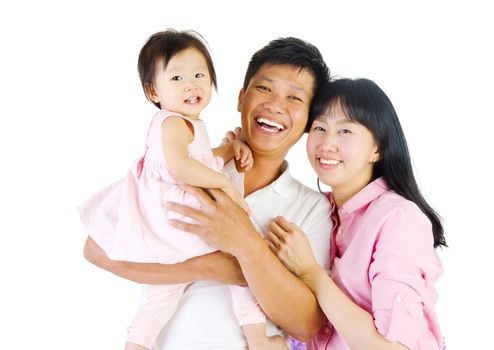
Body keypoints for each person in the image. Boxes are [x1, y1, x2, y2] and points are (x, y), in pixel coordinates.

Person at [83, 36, 333, 349]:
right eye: (264, 88)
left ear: (310, 120)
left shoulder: (313, 208)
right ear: (241, 98)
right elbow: (96, 249)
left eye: (295, 98)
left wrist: (245, 245)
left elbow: (307, 324)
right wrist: (210, 266)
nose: (275, 105)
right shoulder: (191, 166)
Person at [266, 78, 447, 350]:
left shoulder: (398, 218)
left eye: (345, 131)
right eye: (319, 128)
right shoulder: (319, 211)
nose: (327, 143)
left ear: (377, 148)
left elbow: (395, 348)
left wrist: (312, 274)